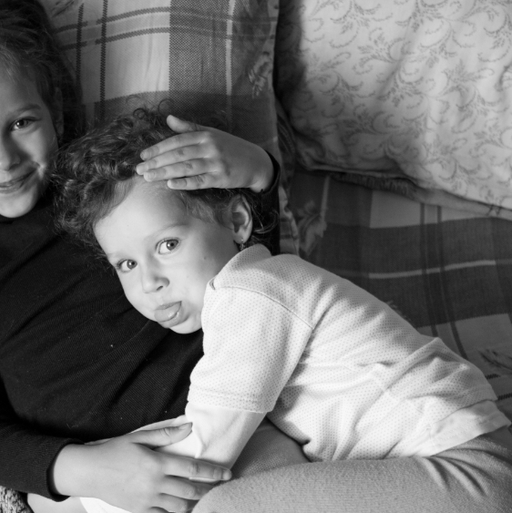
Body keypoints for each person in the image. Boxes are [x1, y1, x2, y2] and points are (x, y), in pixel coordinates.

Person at [0, 1, 289, 513]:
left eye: (21, 122)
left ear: (54, 111)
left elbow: (257, 278)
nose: (2, 159)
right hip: (90, 480)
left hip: (222, 426)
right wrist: (90, 471)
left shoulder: (121, 182)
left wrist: (259, 173)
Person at [54, 108, 512, 513]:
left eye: (167, 245)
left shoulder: (253, 293)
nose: (149, 281)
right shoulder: (250, 293)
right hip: (427, 472)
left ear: (237, 221)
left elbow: (205, 446)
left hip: (463, 469)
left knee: (222, 506)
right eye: (127, 264)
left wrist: (77, 495)